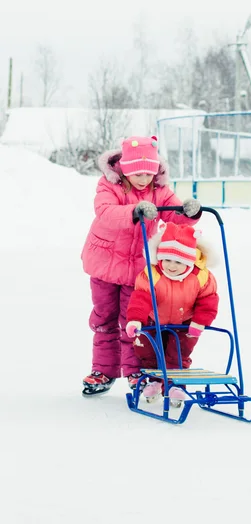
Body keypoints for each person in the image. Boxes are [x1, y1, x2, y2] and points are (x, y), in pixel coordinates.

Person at [81, 135, 202, 396]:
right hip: (104, 264)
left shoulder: (160, 190)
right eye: (138, 173)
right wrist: (134, 212)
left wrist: (188, 212)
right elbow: (105, 212)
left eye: (149, 173)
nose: (144, 179)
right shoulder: (109, 186)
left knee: (133, 320)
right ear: (125, 168)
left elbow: (172, 214)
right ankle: (104, 369)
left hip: (137, 270)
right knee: (104, 319)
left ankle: (136, 370)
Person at [125, 220, 219, 406]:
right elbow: (141, 297)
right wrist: (135, 320)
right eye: (167, 259)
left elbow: (208, 300)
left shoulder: (201, 276)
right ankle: (154, 380)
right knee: (148, 350)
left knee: (177, 353)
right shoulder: (152, 273)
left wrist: (200, 322)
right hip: (153, 320)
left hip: (185, 323)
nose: (171, 266)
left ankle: (176, 385)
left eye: (178, 261)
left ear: (189, 260)